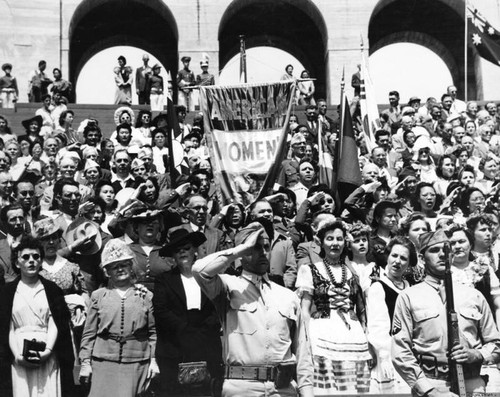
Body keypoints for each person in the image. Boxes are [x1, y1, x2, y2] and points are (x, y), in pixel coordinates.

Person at [193, 222, 314, 397]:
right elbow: (199, 270)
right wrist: (241, 250)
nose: (263, 252)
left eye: (266, 246)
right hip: (242, 388)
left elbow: (302, 348)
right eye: (255, 248)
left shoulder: (288, 296)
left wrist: (307, 391)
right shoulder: (228, 286)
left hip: (283, 389)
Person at [392, 229, 500, 396]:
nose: (442, 254)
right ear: (422, 258)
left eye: (446, 249)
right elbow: (400, 352)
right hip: (432, 384)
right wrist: (429, 391)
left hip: (472, 384)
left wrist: (477, 354)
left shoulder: (474, 296)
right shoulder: (408, 297)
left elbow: (496, 344)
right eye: (435, 250)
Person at [295, 220, 371, 395]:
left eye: (339, 238)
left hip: (352, 333)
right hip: (322, 331)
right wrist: (306, 339)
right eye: (330, 238)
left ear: (345, 242)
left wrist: (366, 333)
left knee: (353, 387)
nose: (335, 243)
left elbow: (360, 309)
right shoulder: (310, 269)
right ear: (321, 242)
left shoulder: (352, 272)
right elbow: (304, 309)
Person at [79, 238, 159, 397]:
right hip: (103, 362)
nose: (120, 269)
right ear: (107, 272)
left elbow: (152, 333)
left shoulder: (145, 295)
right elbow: (89, 333)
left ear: (131, 267)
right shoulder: (98, 296)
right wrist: (86, 363)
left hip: (136, 362)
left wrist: (153, 360)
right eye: (114, 267)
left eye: (124, 264)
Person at [0, 235, 74, 396]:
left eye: (36, 256)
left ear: (41, 261)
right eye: (25, 257)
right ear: (17, 262)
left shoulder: (52, 289)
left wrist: (47, 351)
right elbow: (8, 328)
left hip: (47, 352)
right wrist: (17, 356)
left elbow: (55, 323)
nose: (31, 260)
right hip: (18, 355)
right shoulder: (7, 292)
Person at [154, 228, 223, 396]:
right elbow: (161, 310)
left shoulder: (210, 277)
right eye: (177, 250)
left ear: (195, 251)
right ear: (173, 256)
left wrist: (204, 330)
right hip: (175, 345)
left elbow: (218, 305)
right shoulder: (164, 279)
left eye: (186, 248)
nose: (182, 252)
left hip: (206, 342)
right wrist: (185, 329)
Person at [366, 236, 415, 394]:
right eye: (394, 256)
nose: (397, 261)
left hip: (411, 353)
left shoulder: (411, 288)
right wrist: (384, 355)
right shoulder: (378, 287)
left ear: (409, 263)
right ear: (387, 257)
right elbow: (377, 325)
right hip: (389, 354)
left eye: (403, 258)